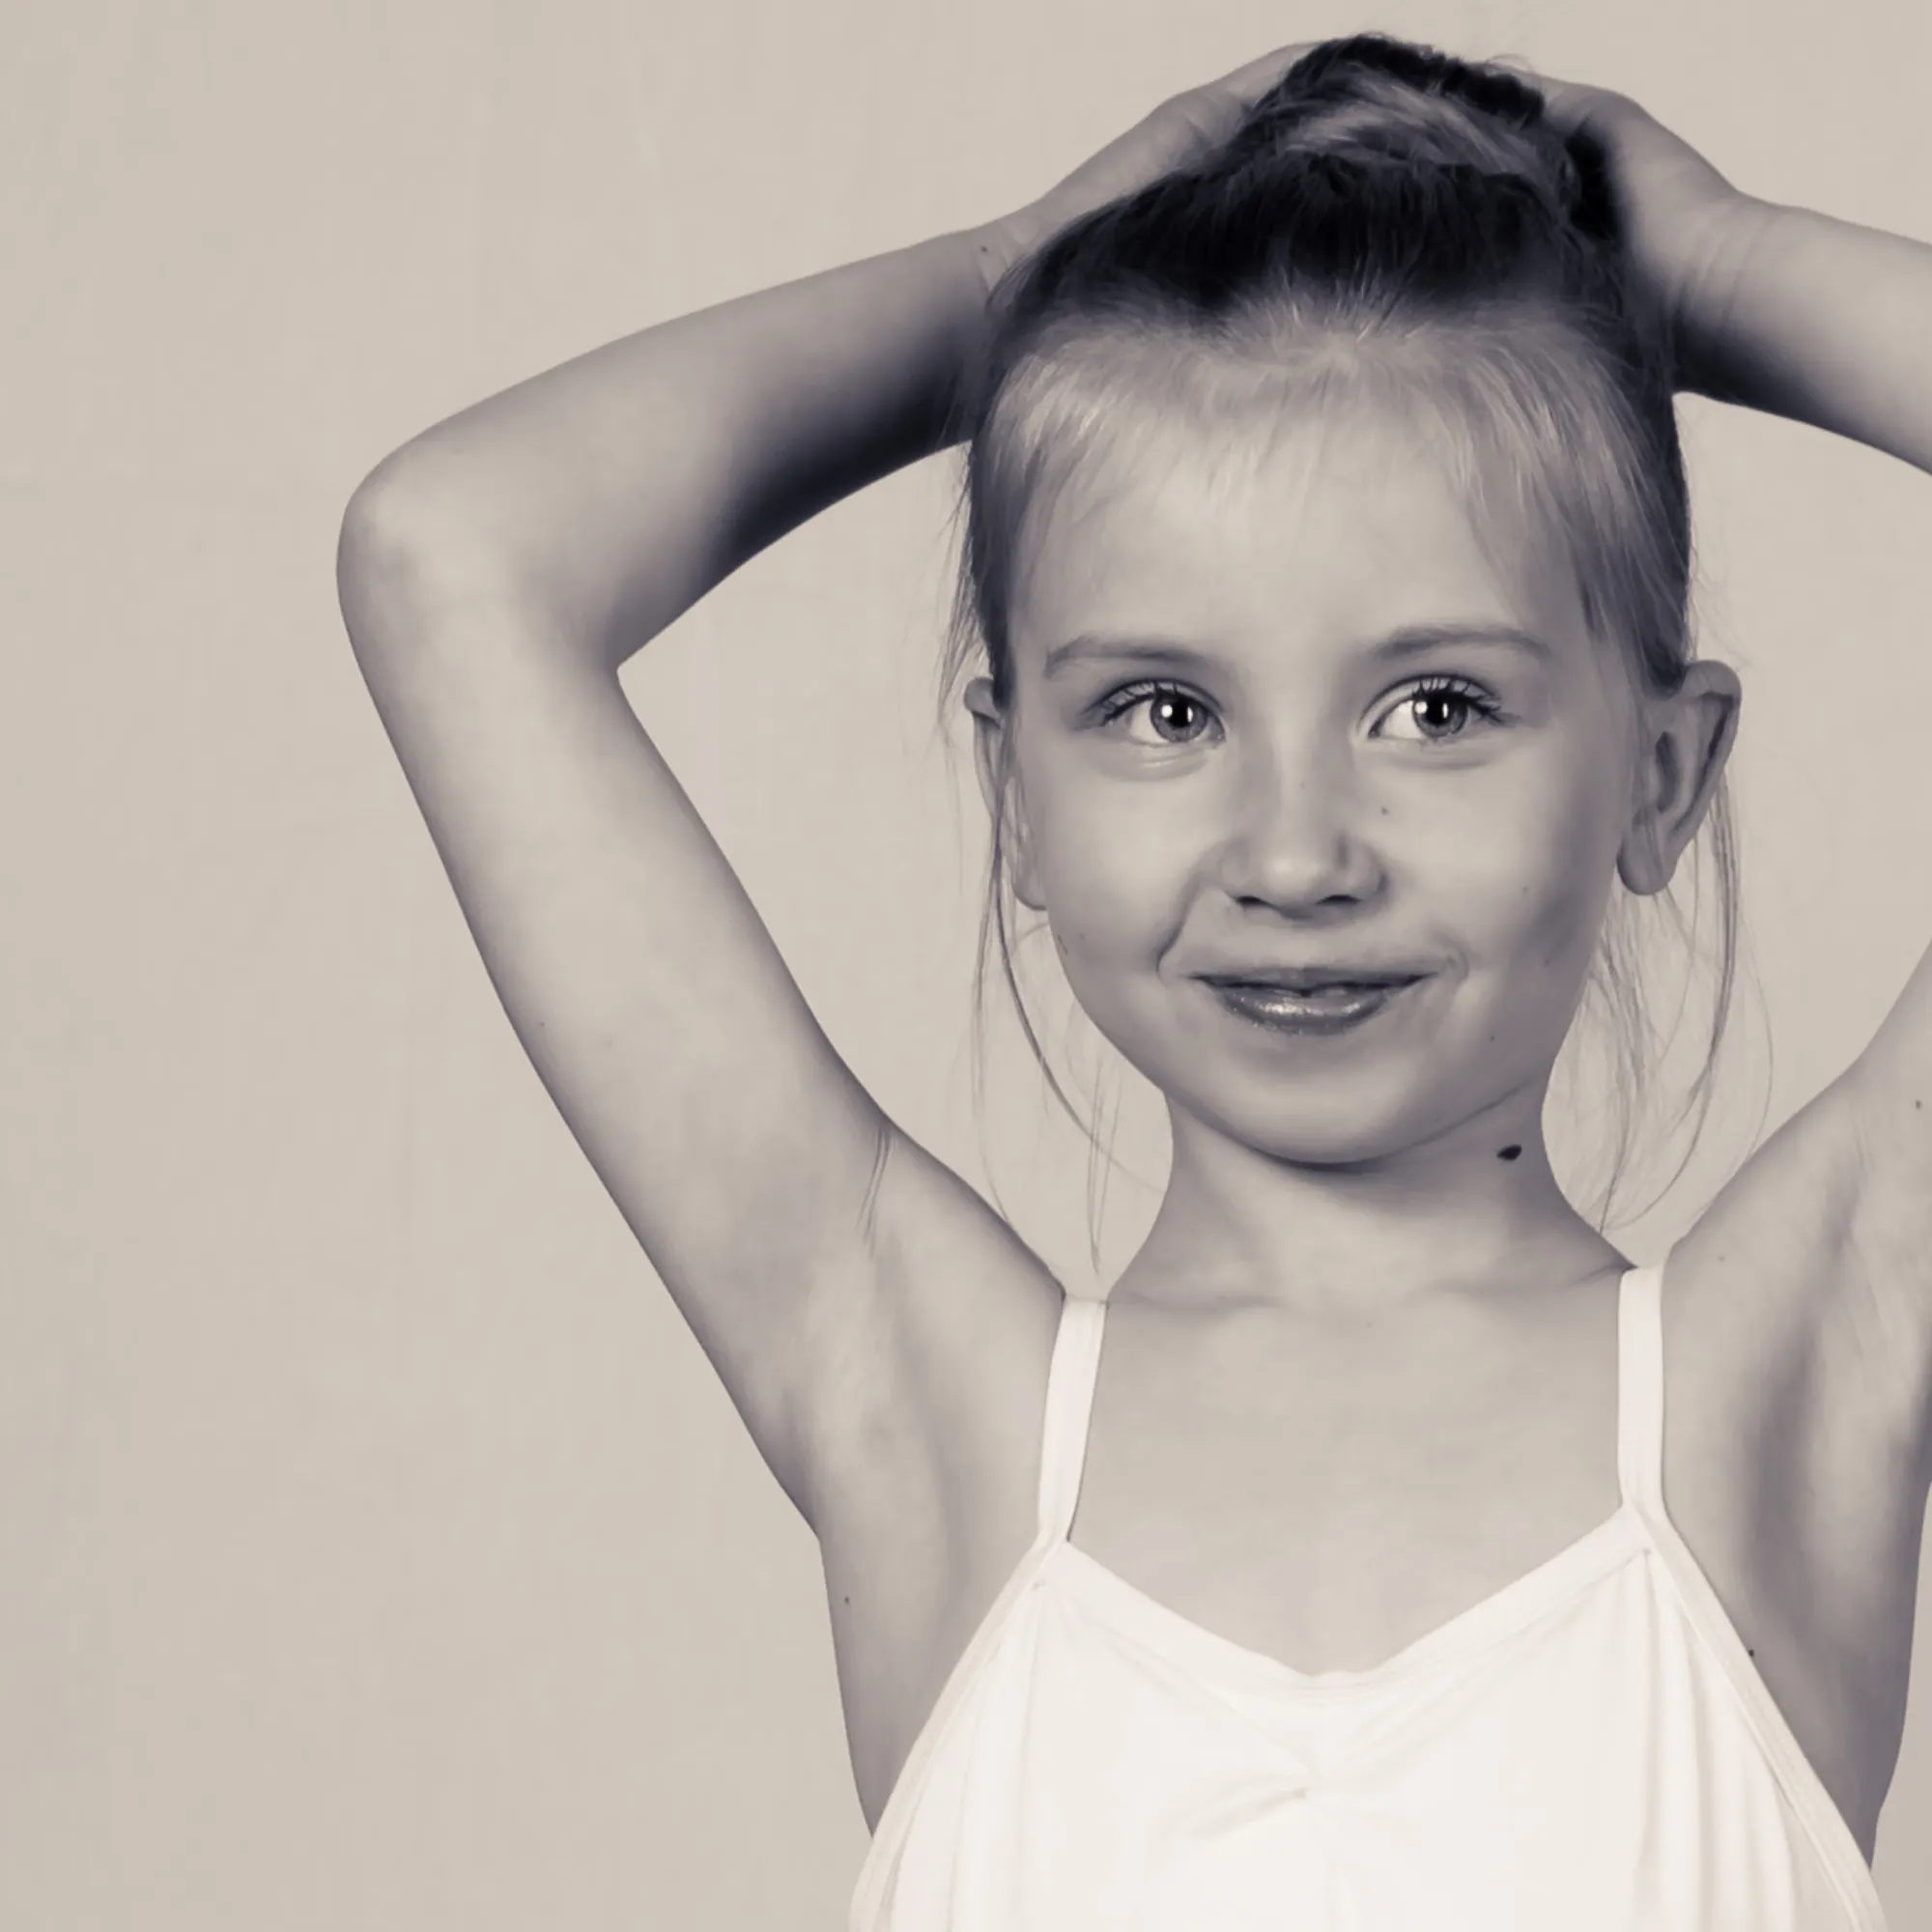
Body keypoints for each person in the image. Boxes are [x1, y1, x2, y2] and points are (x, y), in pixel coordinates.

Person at [334, 30, 1930, 1930]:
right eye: (1162, 709)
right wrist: (1017, 287)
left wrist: (1709, 273)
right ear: (1015, 785)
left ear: (1656, 773)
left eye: (1434, 707)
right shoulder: (931, 1403)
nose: (1293, 853)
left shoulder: (1793, 1370)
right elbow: (449, 556)